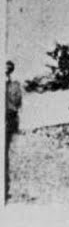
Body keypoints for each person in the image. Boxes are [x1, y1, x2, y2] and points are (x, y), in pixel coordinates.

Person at [5, 61, 22, 199]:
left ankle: (5, 188)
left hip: (8, 119)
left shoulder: (13, 86)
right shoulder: (14, 86)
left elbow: (16, 104)